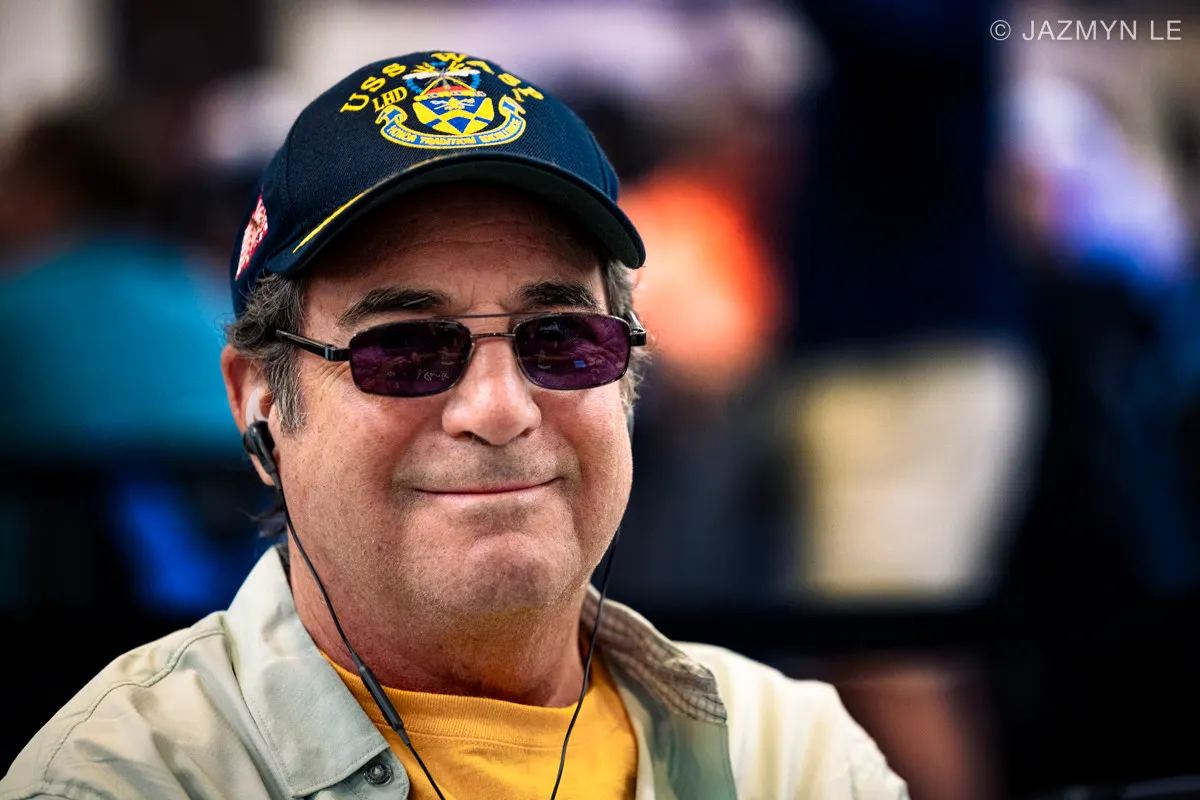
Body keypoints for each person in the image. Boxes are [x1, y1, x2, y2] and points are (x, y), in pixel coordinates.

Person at [1, 52, 907, 799]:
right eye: (404, 348)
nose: (500, 409)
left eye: (561, 339)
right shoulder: (126, 778)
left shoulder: (797, 759)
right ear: (260, 402)